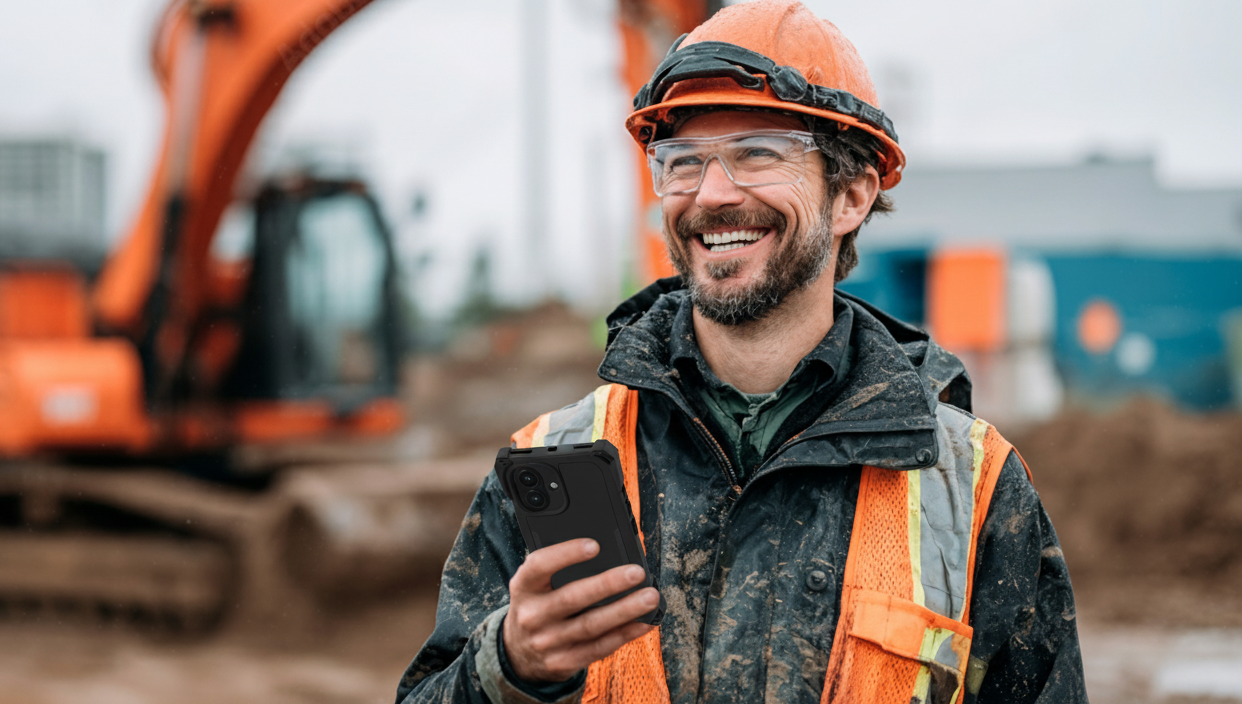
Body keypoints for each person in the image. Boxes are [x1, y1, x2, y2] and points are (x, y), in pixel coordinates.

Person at [396, 2, 1086, 702]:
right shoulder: (557, 459)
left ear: (851, 194)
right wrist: (510, 665)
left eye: (757, 153)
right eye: (683, 161)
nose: (711, 194)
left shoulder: (971, 487)